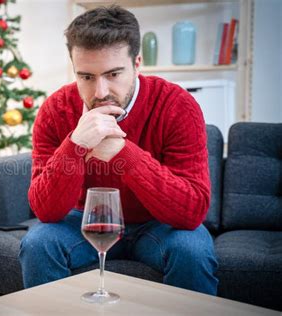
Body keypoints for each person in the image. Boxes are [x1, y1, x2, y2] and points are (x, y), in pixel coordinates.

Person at [19, 5, 218, 295]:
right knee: (38, 243)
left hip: (157, 225)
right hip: (84, 220)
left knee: (192, 250)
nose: (100, 92)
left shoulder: (177, 105)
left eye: (113, 74)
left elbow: (192, 211)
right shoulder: (56, 109)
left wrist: (123, 153)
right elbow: (46, 211)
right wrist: (75, 145)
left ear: (138, 63)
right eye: (86, 77)